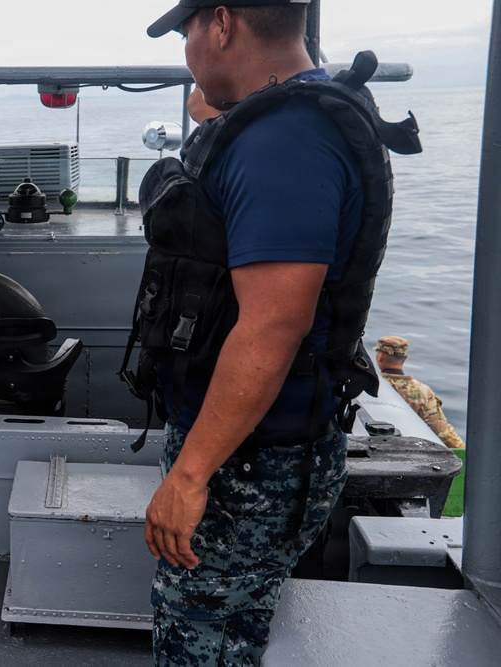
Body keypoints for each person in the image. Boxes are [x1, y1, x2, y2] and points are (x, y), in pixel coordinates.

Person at [138, 2, 419, 664]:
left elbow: (272, 327)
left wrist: (190, 475)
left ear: (224, 24)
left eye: (188, 33)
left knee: (200, 633)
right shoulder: (287, 119)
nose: (187, 52)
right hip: (264, 445)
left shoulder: (285, 143)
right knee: (236, 620)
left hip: (251, 461)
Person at [374, 335, 466, 449]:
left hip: (374, 449)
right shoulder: (422, 391)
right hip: (410, 452)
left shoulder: (370, 385)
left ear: (380, 357)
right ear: (405, 358)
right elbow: (442, 432)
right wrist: (464, 452)